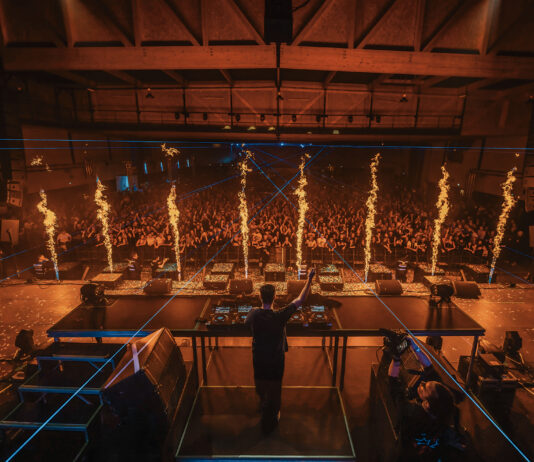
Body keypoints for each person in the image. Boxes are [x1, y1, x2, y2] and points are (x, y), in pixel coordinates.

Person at [245, 267, 316, 434]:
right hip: (276, 359)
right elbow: (300, 299)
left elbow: (247, 323)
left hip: (259, 357)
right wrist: (309, 279)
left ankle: (263, 404)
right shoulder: (280, 316)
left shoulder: (253, 314)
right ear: (275, 297)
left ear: (260, 297)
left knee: (261, 382)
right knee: (275, 387)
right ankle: (274, 413)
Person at [388, 337, 459, 461]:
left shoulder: (409, 412)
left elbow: (393, 382)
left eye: (425, 388)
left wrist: (396, 358)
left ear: (427, 403)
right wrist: (414, 346)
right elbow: (429, 367)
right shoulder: (445, 407)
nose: (422, 383)